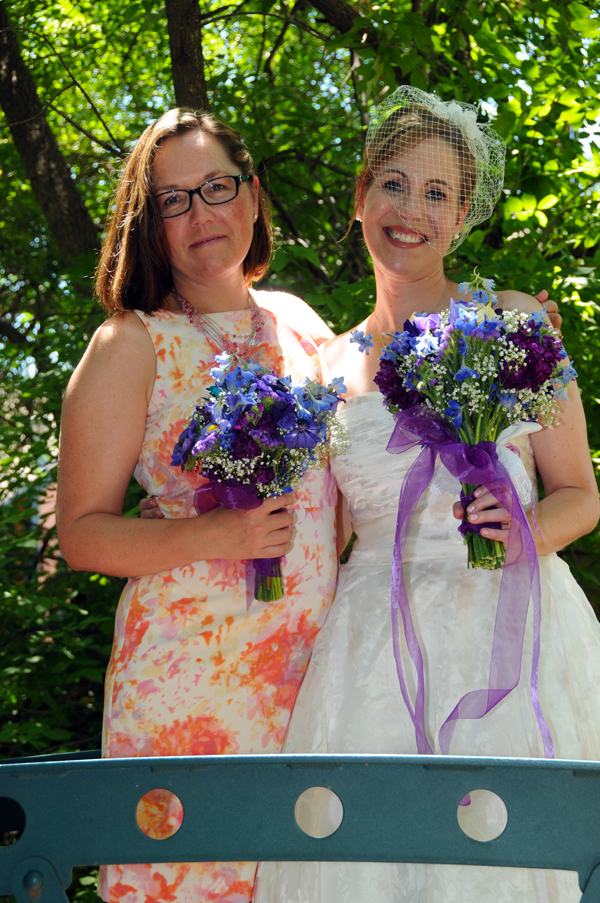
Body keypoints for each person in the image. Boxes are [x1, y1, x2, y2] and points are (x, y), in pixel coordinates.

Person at [253, 87, 600, 903]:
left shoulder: (512, 320)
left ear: (464, 213)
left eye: (437, 192)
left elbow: (581, 494)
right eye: (394, 184)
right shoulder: (325, 372)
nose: (411, 209)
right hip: (370, 648)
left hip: (517, 624)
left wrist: (522, 533)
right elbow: (322, 537)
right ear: (362, 197)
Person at [56, 108, 340, 903]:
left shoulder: (303, 325)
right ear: (150, 228)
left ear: (252, 198)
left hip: (316, 676)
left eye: (216, 187)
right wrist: (220, 531)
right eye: (173, 200)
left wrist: (517, 321)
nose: (201, 214)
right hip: (190, 684)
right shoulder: (131, 343)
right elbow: (81, 534)